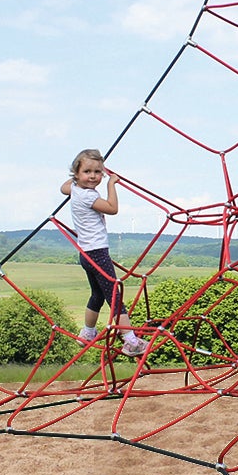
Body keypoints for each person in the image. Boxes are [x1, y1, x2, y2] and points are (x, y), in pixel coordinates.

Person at [61, 149, 145, 357]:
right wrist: (110, 184)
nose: (92, 176)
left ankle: (88, 332)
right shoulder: (88, 196)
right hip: (98, 253)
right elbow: (112, 208)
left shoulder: (74, 189)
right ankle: (130, 341)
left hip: (85, 254)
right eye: (87, 172)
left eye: (98, 172)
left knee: (97, 294)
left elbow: (63, 188)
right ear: (77, 173)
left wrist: (73, 182)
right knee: (114, 296)